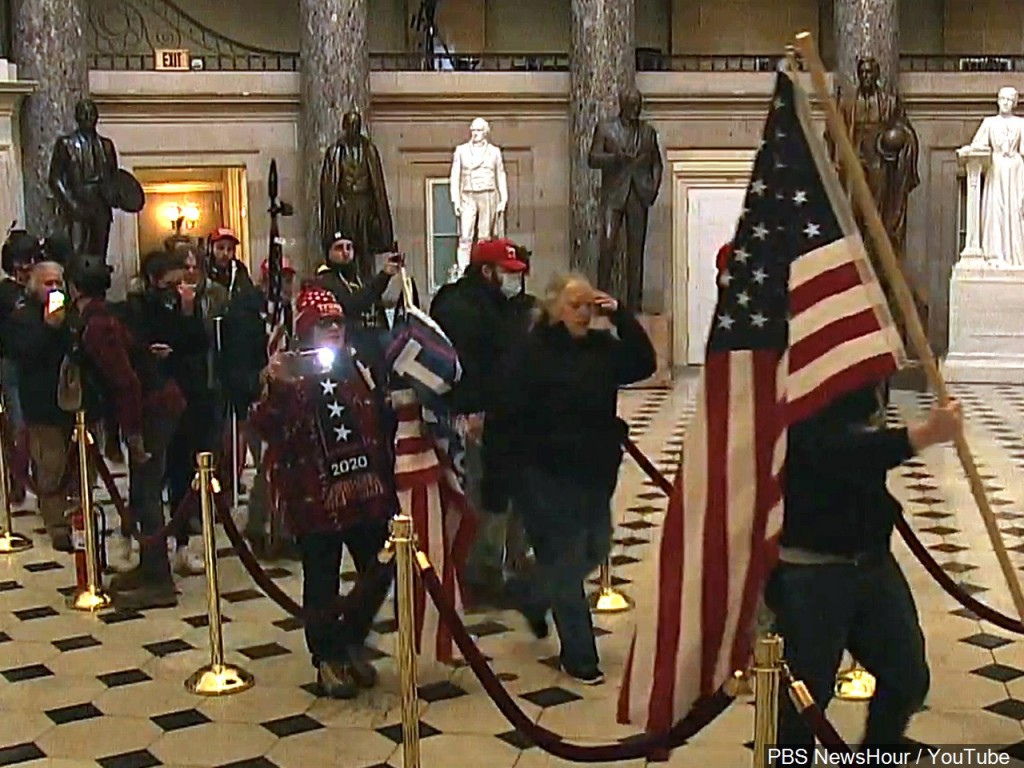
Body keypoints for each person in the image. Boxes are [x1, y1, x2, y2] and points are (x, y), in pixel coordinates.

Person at [768, 385, 962, 748]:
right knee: (804, 705)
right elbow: (829, 449)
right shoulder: (807, 368)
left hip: (870, 558)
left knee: (906, 677)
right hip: (812, 568)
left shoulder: (864, 369)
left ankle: (878, 753)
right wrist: (920, 436)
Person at [501, 273, 655, 684]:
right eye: (575, 305)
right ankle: (580, 655)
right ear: (554, 308)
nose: (585, 313)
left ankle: (531, 592)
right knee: (567, 564)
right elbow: (510, 412)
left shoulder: (602, 348)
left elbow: (644, 364)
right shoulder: (533, 352)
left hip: (593, 471)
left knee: (595, 546)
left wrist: (621, 314)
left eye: (589, 305)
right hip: (545, 475)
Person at [251, 285, 396, 699]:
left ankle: (349, 636)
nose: (333, 330)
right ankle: (328, 658)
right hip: (313, 493)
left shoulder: (357, 364)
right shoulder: (289, 372)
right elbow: (266, 426)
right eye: (324, 324)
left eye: (336, 322)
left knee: (381, 567)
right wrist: (279, 387)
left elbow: (376, 415)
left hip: (366, 492)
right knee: (321, 582)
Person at [430, 238, 527, 606]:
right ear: (487, 271)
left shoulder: (498, 304)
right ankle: (478, 574)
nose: (515, 282)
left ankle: (502, 563)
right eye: (509, 274)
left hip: (506, 416)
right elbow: (464, 366)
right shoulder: (461, 307)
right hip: (473, 419)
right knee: (482, 495)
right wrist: (472, 412)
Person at [164, 243, 228, 574]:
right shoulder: (164, 301)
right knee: (179, 467)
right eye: (183, 266)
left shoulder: (217, 295)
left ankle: (204, 528)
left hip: (209, 386)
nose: (190, 272)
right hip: (179, 390)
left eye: (194, 266)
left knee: (208, 458)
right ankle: (179, 539)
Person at [6, 262, 72, 549]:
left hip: (70, 401)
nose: (55, 289)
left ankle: (77, 519)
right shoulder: (23, 317)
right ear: (35, 287)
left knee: (75, 465)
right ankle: (56, 524)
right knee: (50, 465)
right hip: (41, 403)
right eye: (48, 284)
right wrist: (48, 327)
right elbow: (23, 351)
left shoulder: (71, 313)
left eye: (59, 283)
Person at [319, 110, 395, 282]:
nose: (353, 129)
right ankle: (348, 281)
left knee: (365, 249)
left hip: (365, 205)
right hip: (345, 205)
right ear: (345, 127)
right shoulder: (335, 152)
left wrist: (377, 212)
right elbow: (329, 185)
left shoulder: (369, 150)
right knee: (346, 246)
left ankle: (367, 283)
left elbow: (376, 183)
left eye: (356, 125)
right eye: (350, 125)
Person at [0, 230, 41, 502]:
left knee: (39, 425)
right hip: (12, 362)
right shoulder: (5, 292)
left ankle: (43, 482)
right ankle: (18, 478)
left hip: (40, 362)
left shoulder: (42, 287)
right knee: (19, 425)